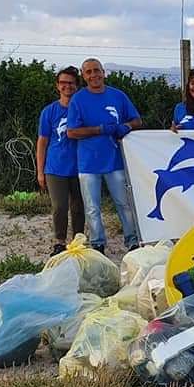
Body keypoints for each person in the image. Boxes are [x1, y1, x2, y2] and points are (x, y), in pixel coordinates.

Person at [66, 58, 142, 253]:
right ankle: (98, 244)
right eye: (89, 72)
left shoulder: (118, 96)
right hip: (88, 164)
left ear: (103, 72)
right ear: (84, 76)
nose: (94, 75)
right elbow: (72, 132)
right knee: (92, 208)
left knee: (124, 203)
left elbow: (137, 120)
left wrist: (126, 126)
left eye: (97, 71)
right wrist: (99, 130)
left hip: (115, 161)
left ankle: (132, 241)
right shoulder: (78, 99)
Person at [36, 66, 85, 256]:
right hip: (55, 167)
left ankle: (79, 239)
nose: (67, 86)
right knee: (59, 206)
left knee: (79, 206)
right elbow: (42, 141)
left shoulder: (82, 110)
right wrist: (40, 170)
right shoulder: (49, 112)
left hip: (81, 165)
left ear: (77, 86)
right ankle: (59, 241)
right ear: (57, 86)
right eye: (63, 83)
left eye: (71, 83)